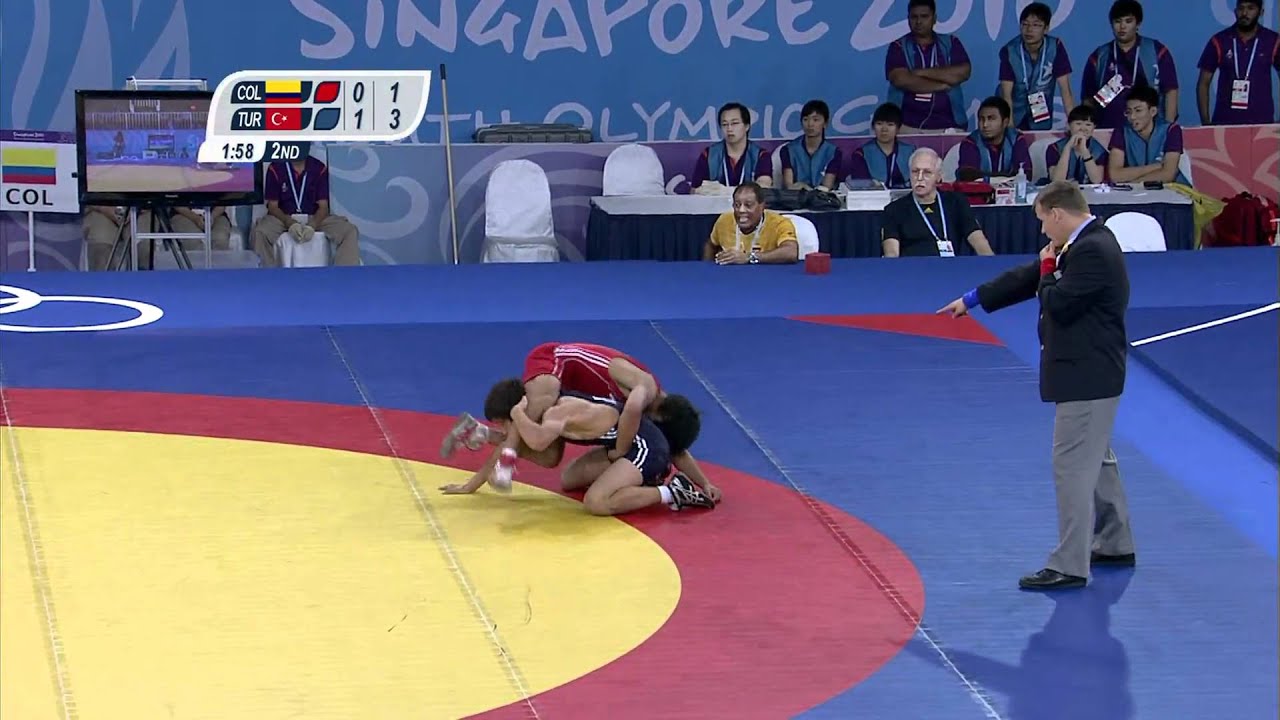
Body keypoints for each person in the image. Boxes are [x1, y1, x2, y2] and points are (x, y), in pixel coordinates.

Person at [937, 180, 1136, 590]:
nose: (1043, 230)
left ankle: (1070, 564)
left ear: (1058, 214)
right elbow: (1028, 277)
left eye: (1044, 221)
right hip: (1091, 372)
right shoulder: (1082, 242)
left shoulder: (1093, 251)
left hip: (1086, 375)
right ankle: (1115, 543)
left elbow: (1057, 302)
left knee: (1072, 468)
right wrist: (973, 299)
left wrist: (1047, 269)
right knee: (1097, 460)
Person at [440, 342, 719, 502]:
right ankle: (502, 469)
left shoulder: (656, 407)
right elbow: (633, 410)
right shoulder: (644, 389)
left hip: (571, 394)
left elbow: (675, 448)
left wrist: (703, 482)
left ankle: (480, 433)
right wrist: (619, 451)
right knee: (523, 422)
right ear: (661, 417)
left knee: (549, 456)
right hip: (554, 363)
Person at [468, 381, 715, 515]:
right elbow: (541, 452)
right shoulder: (546, 410)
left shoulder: (558, 411)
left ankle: (672, 491)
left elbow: (537, 442)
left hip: (647, 447)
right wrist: (488, 436)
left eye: (505, 424)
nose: (510, 430)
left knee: (596, 502)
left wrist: (516, 414)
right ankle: (636, 479)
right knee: (569, 479)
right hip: (624, 446)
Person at [880, 148, 995, 258]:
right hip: (912, 268)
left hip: (950, 267)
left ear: (939, 176)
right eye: (915, 171)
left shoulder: (956, 202)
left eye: (927, 172)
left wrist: (991, 262)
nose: (919, 178)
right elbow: (891, 253)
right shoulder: (894, 209)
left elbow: (977, 239)